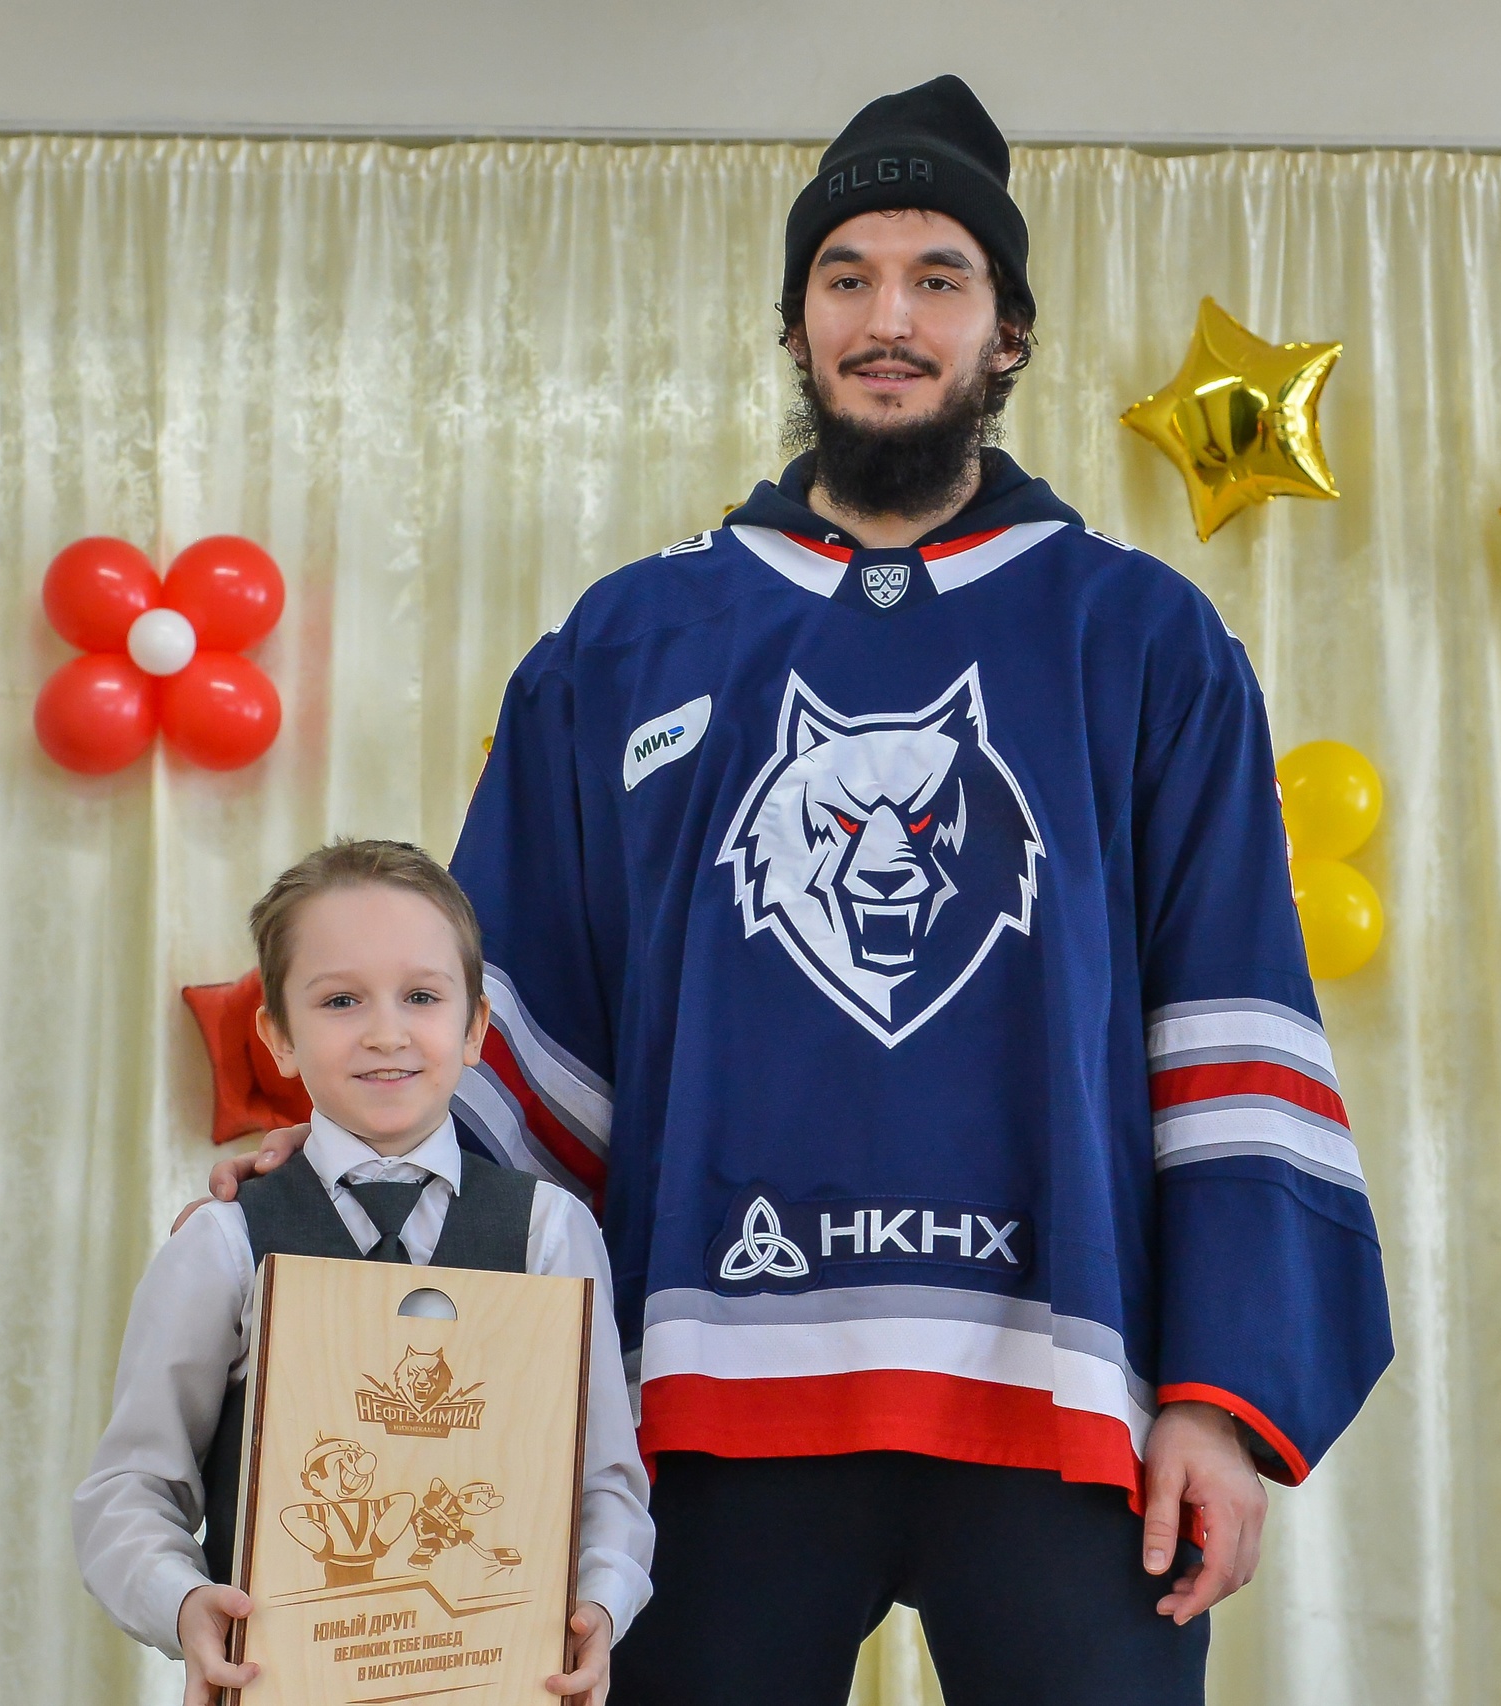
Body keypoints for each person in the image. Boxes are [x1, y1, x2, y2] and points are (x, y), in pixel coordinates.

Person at [208, 75, 1393, 1706]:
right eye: (847, 278)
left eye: (937, 279)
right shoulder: (631, 643)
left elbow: (1227, 1014)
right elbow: (519, 1022)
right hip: (697, 1409)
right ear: (795, 326)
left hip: (1066, 1403)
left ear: (1008, 333)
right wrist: (357, 1170)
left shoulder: (1138, 637)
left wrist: (1219, 1393)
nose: (887, 318)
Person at [74, 840, 651, 1706]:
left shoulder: (550, 1233)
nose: (386, 1032)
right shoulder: (224, 1243)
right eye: (341, 1000)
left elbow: (604, 1483)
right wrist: (183, 1603)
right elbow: (130, 1487)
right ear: (278, 1035)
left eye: (421, 996)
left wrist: (600, 1606)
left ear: (475, 1028)